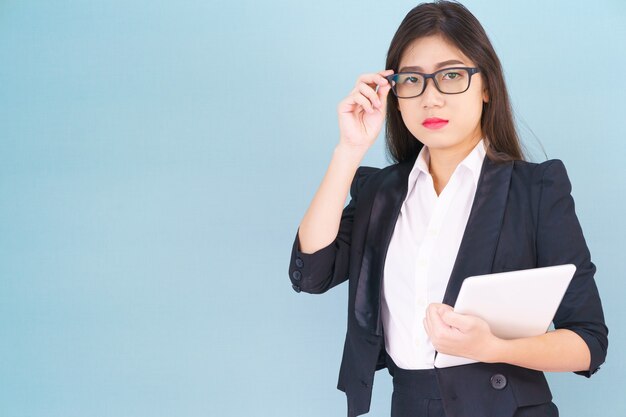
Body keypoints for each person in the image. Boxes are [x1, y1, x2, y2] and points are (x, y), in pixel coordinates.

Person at [287, 1, 608, 416]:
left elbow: (589, 343)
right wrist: (348, 150)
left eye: (452, 75)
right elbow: (310, 273)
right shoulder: (380, 193)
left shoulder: (536, 189)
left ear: (486, 86)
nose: (431, 98)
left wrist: (491, 347)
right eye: (412, 80)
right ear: (394, 95)